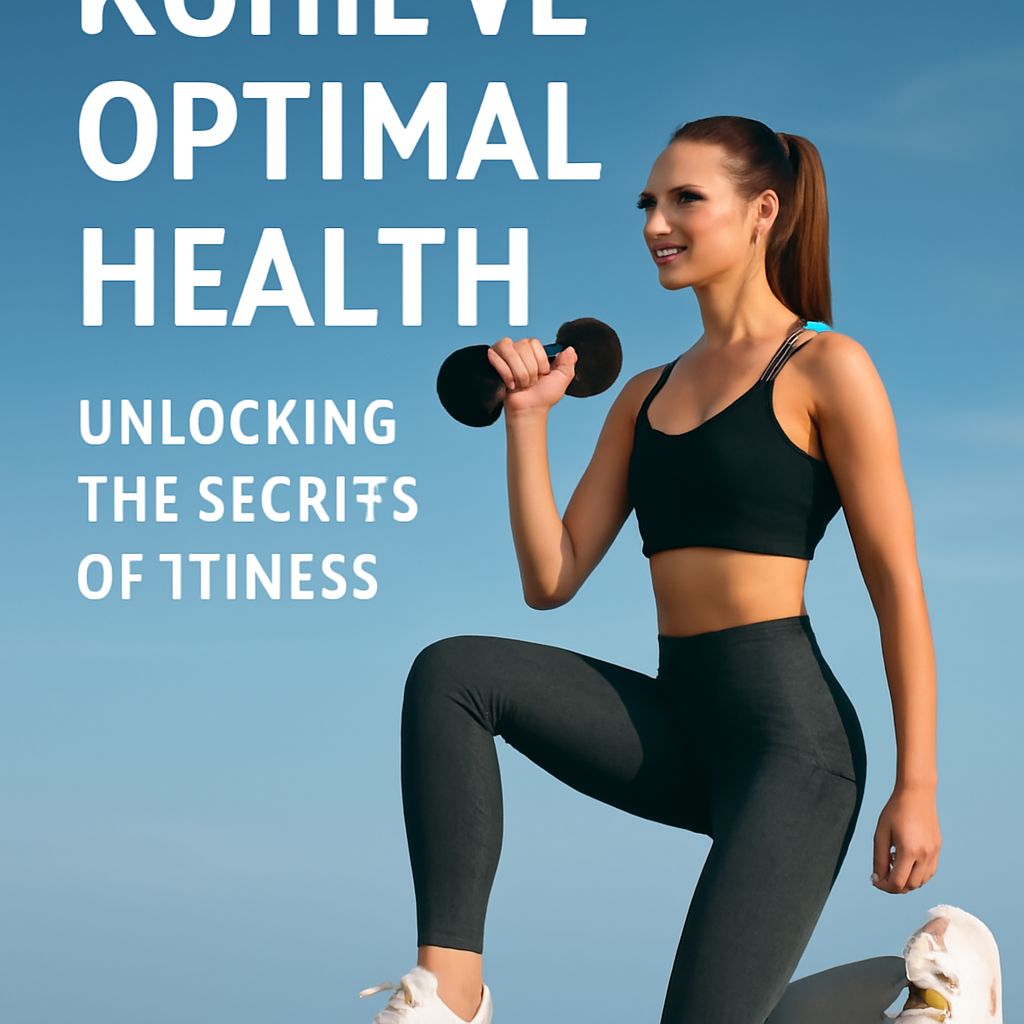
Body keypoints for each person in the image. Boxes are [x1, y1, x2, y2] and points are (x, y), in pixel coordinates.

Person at [358, 115, 942, 1023]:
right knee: (454, 675)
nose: (656, 223)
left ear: (762, 212)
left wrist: (918, 785)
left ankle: (931, 987)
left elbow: (896, 586)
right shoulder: (645, 395)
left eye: (684, 200)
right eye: (648, 203)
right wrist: (527, 421)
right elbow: (552, 579)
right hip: (679, 725)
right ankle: (449, 995)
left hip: (792, 751)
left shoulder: (827, 366)